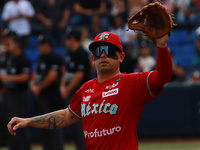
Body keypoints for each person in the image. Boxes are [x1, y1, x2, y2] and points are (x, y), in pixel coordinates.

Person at [7, 31, 172, 150]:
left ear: (121, 56)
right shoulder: (86, 89)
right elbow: (66, 116)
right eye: (98, 51)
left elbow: (163, 76)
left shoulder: (131, 82)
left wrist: (161, 46)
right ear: (92, 58)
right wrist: (29, 121)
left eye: (108, 50)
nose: (103, 55)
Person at [30, 35, 65, 150]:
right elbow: (36, 75)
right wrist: (33, 85)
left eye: (41, 45)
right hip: (42, 96)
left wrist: (38, 88)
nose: (39, 47)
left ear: (47, 45)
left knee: (54, 124)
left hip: (52, 95)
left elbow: (52, 76)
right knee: (44, 125)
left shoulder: (54, 57)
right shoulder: (41, 58)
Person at [60, 28, 92, 150]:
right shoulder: (70, 53)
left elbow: (80, 75)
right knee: (75, 125)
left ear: (72, 39)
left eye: (67, 39)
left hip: (80, 92)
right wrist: (63, 87)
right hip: (70, 91)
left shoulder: (82, 53)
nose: (66, 41)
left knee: (81, 125)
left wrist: (67, 89)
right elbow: (65, 72)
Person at [2, 35, 32, 150]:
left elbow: (25, 77)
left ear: (17, 45)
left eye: (12, 43)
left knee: (21, 125)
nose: (9, 45)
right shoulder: (10, 58)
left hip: (20, 96)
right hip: (10, 95)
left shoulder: (23, 59)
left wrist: (6, 78)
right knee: (9, 124)